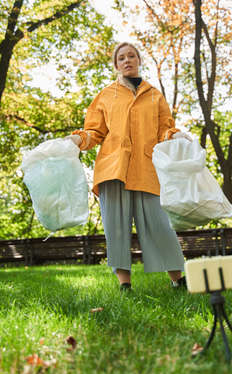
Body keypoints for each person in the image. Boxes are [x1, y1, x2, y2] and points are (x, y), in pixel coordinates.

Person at [69, 42, 192, 291]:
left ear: (138, 60)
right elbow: (95, 131)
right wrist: (78, 139)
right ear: (116, 65)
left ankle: (177, 279)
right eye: (122, 58)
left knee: (159, 224)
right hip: (113, 170)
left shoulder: (155, 95)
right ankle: (125, 285)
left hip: (147, 170)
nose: (127, 60)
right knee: (116, 228)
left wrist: (175, 135)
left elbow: (163, 129)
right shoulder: (105, 95)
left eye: (131, 56)